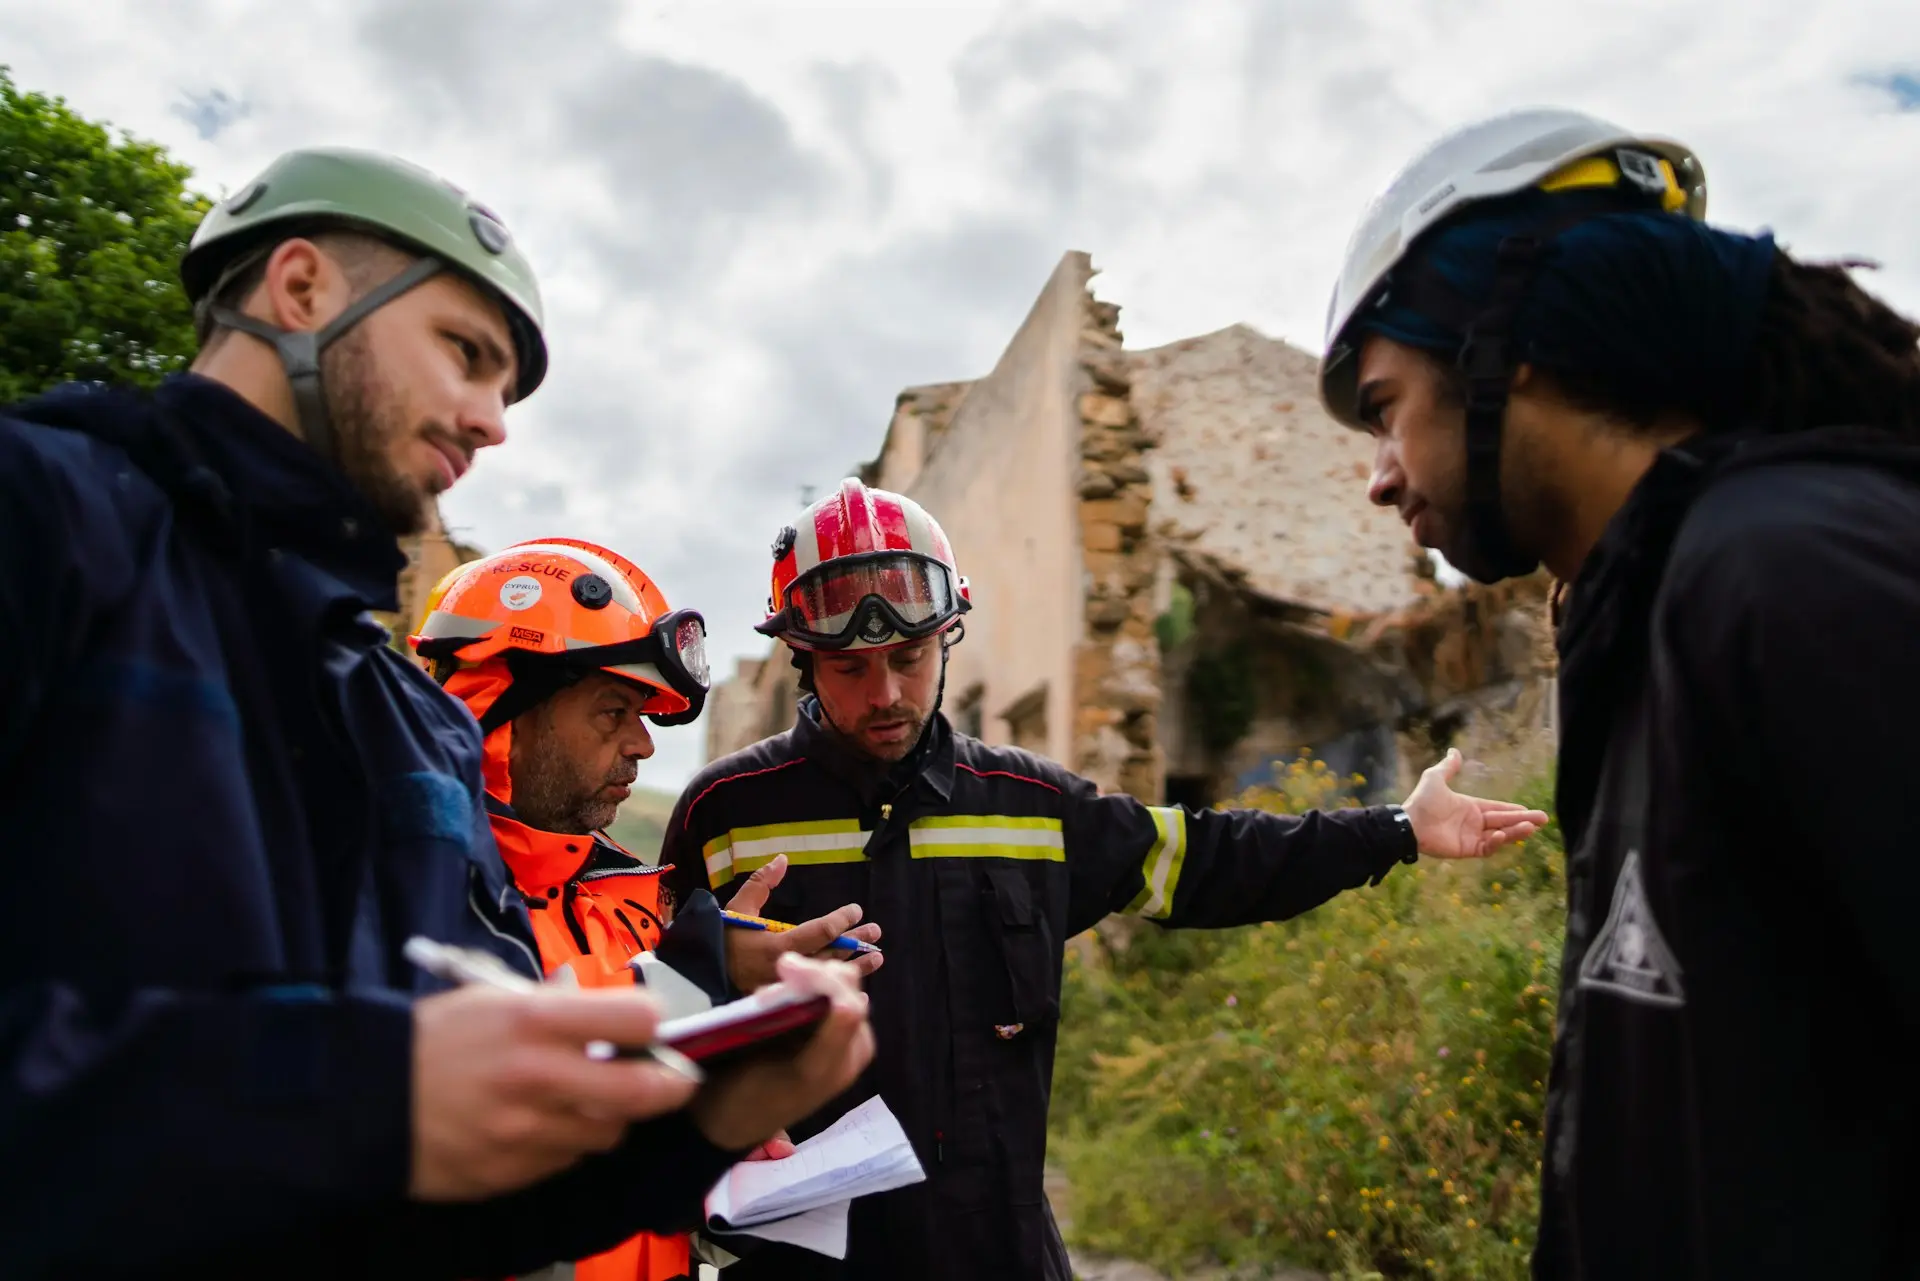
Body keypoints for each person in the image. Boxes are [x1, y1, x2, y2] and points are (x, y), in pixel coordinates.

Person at [0, 146, 872, 1280]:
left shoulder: (411, 730)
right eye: (467, 354)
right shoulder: (40, 524)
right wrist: (354, 1093)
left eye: (505, 389)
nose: (492, 421)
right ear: (301, 288)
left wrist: (703, 1121)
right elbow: (372, 1109)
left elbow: (450, 1194)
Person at [660, 477, 1548, 1279]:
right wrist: (713, 1038)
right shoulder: (724, 814)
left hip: (1000, 1255)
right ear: (802, 659)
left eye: (912, 658)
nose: (886, 693)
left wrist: (1395, 828)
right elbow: (632, 1010)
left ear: (948, 637)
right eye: (851, 668)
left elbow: (1212, 858)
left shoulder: (1029, 805)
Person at [1316, 107, 1920, 1278]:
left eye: (1387, 407)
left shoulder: (1786, 576)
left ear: (1510, 347)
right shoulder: (1659, 603)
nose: (1380, 479)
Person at [415, 535, 770, 1281]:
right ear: (500, 711)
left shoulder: (634, 909)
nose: (643, 744)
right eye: (614, 711)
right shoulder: (410, 905)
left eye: (642, 714)